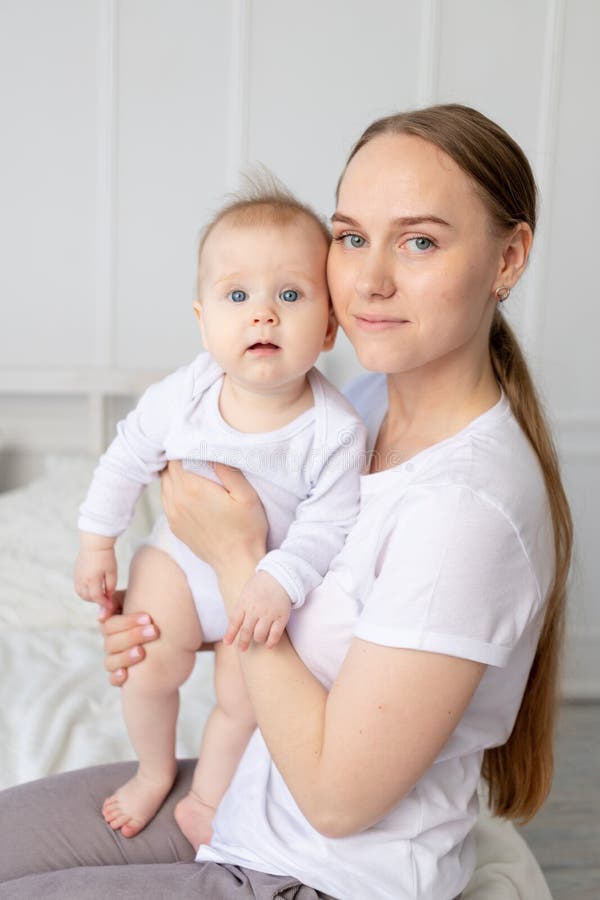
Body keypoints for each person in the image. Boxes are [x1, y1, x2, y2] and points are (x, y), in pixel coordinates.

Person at [0, 104, 572, 900]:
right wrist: (165, 631)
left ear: (508, 259)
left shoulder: (466, 513)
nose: (370, 279)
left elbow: (339, 801)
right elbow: (315, 616)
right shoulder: (358, 403)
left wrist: (237, 560)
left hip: (318, 875)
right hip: (246, 803)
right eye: (350, 236)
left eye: (419, 242)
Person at [73, 186, 366, 848]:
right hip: (178, 564)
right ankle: (153, 770)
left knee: (245, 702)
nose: (263, 313)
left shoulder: (336, 430)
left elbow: (329, 525)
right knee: (147, 666)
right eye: (238, 297)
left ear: (327, 327)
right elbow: (124, 460)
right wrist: (98, 544)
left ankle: (207, 796)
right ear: (204, 321)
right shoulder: (186, 394)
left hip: (262, 592)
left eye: (290, 295)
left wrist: (280, 577)